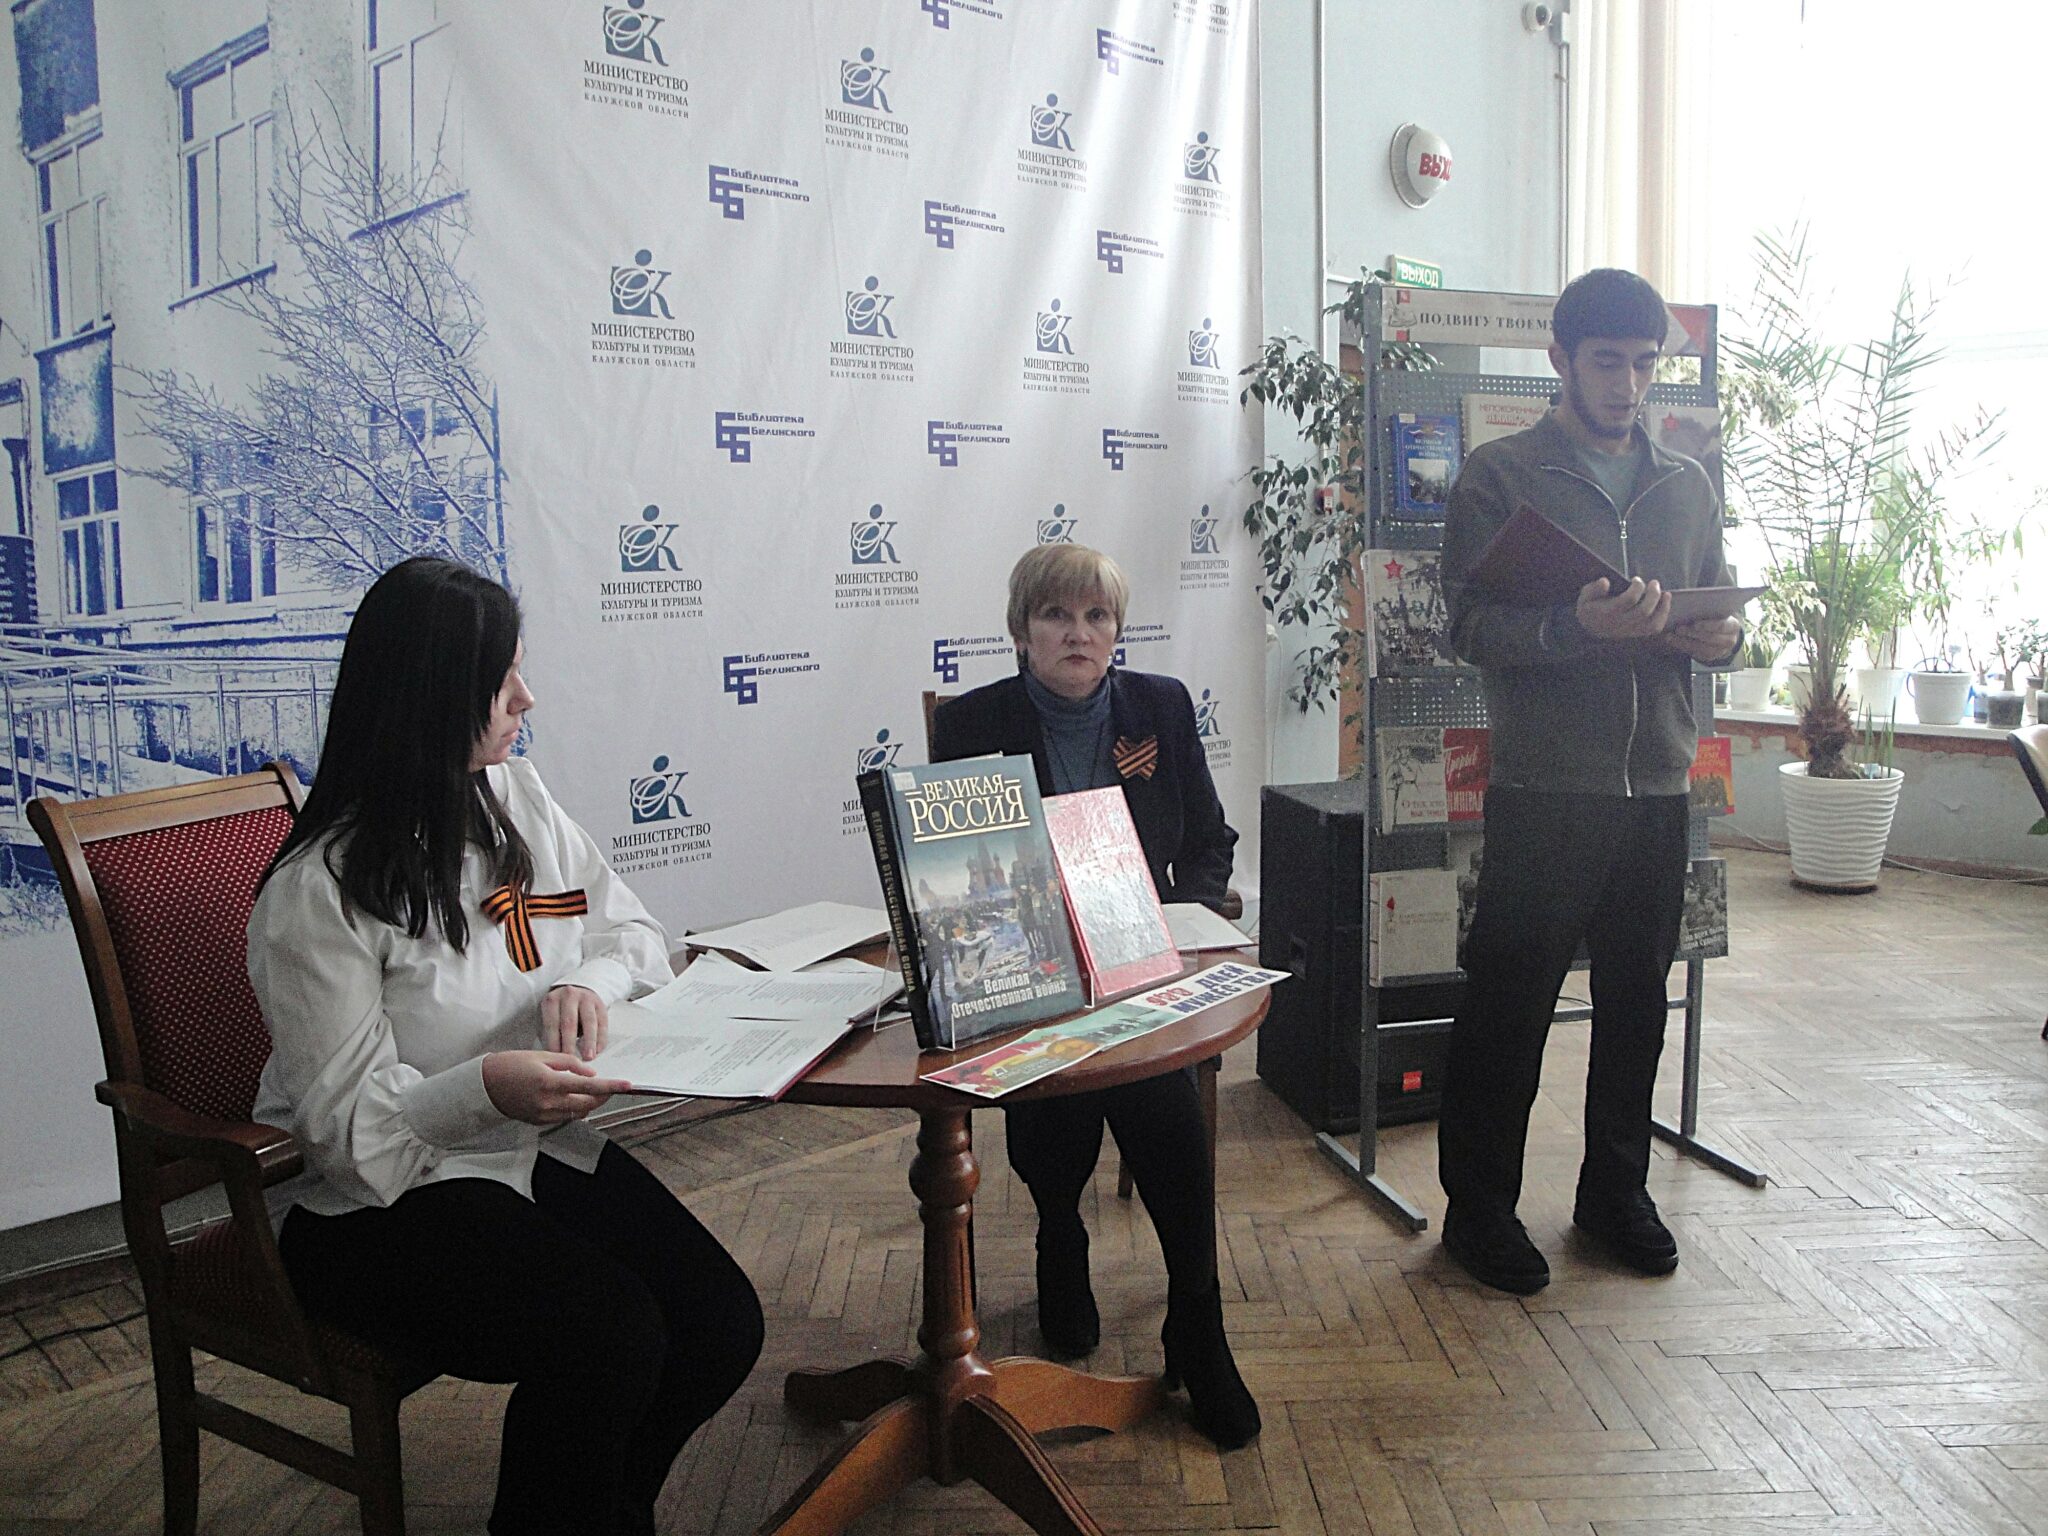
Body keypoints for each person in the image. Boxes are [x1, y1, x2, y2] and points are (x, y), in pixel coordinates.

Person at [247, 557, 762, 1536]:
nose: (528, 697)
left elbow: (630, 932)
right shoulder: (319, 891)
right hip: (369, 1204)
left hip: (523, 1146)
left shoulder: (514, 797)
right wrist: (485, 1086)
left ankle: (600, 1512)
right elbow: (348, 1139)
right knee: (610, 1336)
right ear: (430, 696)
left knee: (719, 1321)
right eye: (502, 679)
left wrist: (586, 983)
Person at [1435, 269, 1742, 1296]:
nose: (1628, 385)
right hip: (1546, 786)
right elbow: (1466, 627)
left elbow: (1717, 609)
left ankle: (1615, 1195)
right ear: (1560, 360)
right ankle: (1479, 1211)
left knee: (1636, 1002)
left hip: (1657, 783)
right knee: (1508, 1005)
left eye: (1644, 365)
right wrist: (1574, 626)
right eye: (1608, 362)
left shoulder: (1686, 483)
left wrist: (1724, 639)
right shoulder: (1500, 475)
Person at [930, 543, 1260, 1450]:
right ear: (1021, 631)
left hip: (1140, 966)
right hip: (1029, 971)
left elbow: (1211, 841)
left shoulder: (1162, 705)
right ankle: (1058, 1236)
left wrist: (1182, 920)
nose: (1079, 634)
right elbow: (955, 877)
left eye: (1097, 616)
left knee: (1163, 1109)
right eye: (1057, 616)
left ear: (1116, 630)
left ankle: (1198, 1319)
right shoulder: (971, 725)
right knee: (1060, 1103)